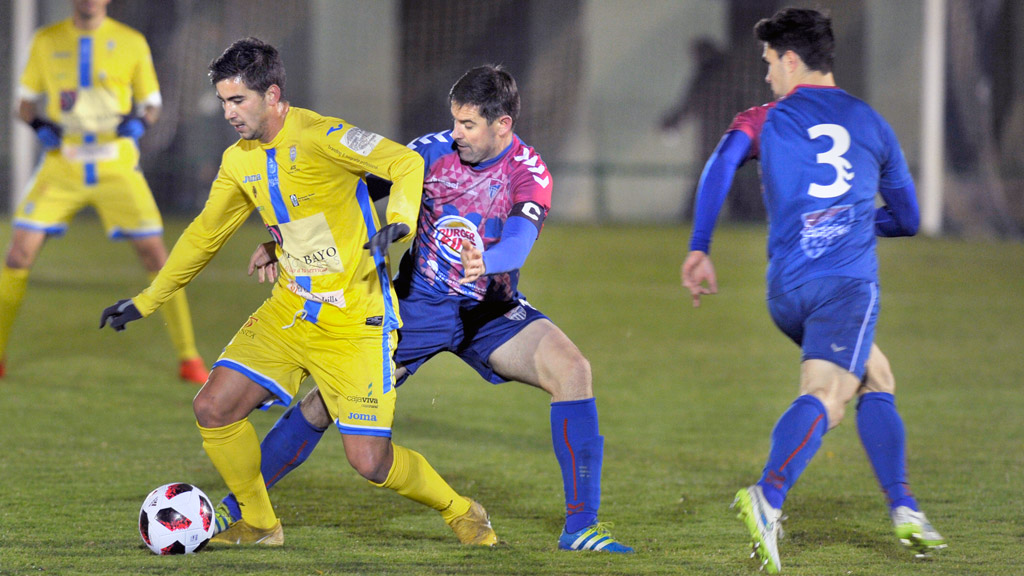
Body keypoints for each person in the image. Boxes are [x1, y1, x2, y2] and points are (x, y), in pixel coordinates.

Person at [215, 65, 633, 553]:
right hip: (416, 308)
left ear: (503, 125)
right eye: (454, 121)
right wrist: (280, 240)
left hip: (489, 312)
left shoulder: (528, 172)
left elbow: (517, 244)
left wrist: (489, 261)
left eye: (469, 125)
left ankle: (581, 528)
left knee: (573, 370)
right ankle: (238, 504)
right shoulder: (429, 153)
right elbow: (339, 199)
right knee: (322, 405)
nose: (456, 134)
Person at [100, 37, 496, 548]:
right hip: (289, 310)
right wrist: (147, 299)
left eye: (238, 100)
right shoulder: (238, 161)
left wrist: (396, 221)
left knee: (370, 462)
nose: (228, 112)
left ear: (273, 95)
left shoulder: (325, 135)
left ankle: (461, 511)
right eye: (223, 101)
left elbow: (404, 163)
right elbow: (204, 235)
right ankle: (262, 525)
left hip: (355, 320)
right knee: (213, 407)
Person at [680, 8, 946, 574]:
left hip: (786, 290)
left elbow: (721, 164)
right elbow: (908, 219)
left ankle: (905, 509)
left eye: (770, 63)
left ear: (793, 60)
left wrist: (700, 245)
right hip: (845, 288)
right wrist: (855, 222)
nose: (768, 74)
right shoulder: (871, 124)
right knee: (828, 396)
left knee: (876, 375)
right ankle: (769, 496)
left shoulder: (764, 118)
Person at [0, 0, 208, 384]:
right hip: (63, 163)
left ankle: (189, 357)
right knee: (17, 253)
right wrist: (40, 124)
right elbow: (24, 105)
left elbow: (152, 106)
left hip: (116, 164)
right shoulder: (46, 40)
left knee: (157, 257)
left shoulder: (131, 41)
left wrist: (140, 124)